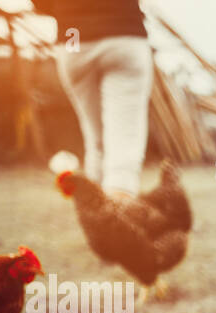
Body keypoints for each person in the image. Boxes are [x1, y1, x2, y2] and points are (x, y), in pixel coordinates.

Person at [32, 0, 152, 197]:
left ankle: (94, 209)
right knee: (124, 137)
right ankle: (117, 211)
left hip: (74, 39)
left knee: (96, 138)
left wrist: (72, 10)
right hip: (123, 34)